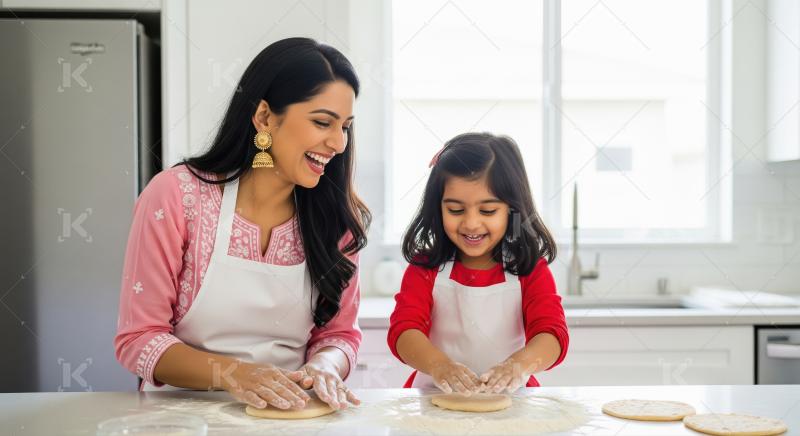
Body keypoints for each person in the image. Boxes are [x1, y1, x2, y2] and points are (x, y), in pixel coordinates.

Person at [114, 37, 370, 411]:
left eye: (345, 126)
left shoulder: (337, 219)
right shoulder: (176, 197)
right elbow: (138, 339)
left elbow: (339, 334)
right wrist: (236, 374)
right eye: (322, 122)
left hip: (288, 418)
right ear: (264, 117)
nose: (338, 143)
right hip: (179, 420)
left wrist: (325, 365)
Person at [388, 132, 568, 394]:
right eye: (456, 210)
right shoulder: (425, 268)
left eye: (488, 211)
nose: (471, 223)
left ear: (512, 209)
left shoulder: (529, 269)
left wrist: (517, 366)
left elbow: (552, 334)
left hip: (512, 401)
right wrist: (440, 366)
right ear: (437, 208)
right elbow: (404, 331)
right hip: (434, 398)